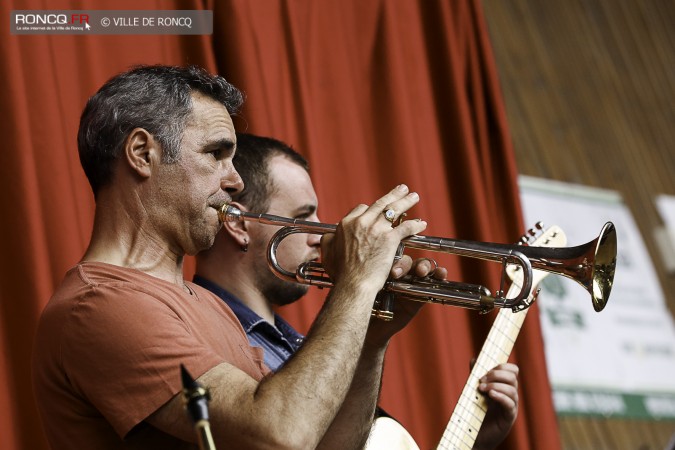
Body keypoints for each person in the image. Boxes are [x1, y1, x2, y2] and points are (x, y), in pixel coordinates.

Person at [31, 64, 437, 450]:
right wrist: (355, 283)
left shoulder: (208, 304)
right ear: (142, 153)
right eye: (215, 154)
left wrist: (371, 335)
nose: (235, 180)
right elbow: (279, 435)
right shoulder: (99, 306)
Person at [194, 133, 520, 449]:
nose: (321, 235)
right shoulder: (199, 330)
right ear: (237, 222)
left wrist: (375, 336)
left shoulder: (296, 344)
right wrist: (357, 284)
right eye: (303, 216)